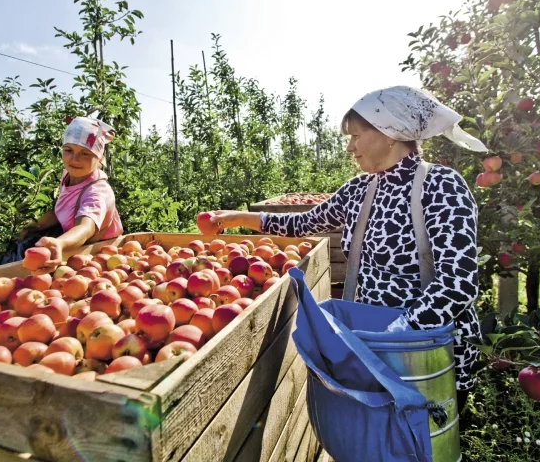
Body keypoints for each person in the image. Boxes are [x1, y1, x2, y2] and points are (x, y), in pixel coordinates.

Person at [205, 86, 487, 410]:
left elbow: (458, 284)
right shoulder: (358, 190)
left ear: (389, 133)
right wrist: (236, 217)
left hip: (426, 359)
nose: (349, 147)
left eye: (355, 136)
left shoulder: (442, 187)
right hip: (371, 355)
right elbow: (301, 224)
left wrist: (394, 337)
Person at [14, 116, 123, 274]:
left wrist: (59, 244)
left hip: (99, 259)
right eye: (68, 150)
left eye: (85, 153)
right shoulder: (69, 176)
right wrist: (34, 225)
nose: (75, 159)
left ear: (98, 157)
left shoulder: (97, 192)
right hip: (76, 251)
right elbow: (64, 209)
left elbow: (84, 227)